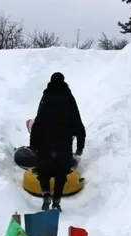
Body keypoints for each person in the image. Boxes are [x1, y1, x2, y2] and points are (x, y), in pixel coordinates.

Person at [30, 72, 86, 211]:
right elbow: (78, 122)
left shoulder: (46, 97)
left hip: (46, 142)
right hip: (63, 143)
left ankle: (46, 194)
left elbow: (38, 122)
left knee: (44, 171)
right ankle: (56, 201)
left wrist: (33, 144)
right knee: (61, 173)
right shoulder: (68, 98)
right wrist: (80, 146)